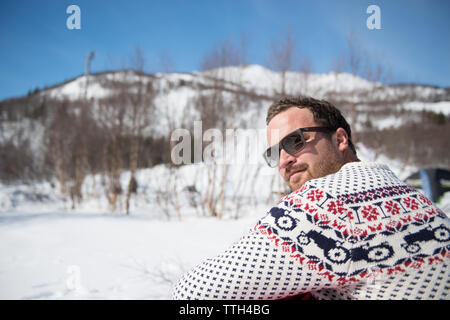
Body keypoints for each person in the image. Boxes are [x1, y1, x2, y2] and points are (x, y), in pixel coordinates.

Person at [172, 96, 449, 300]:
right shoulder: (423, 203)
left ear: (340, 140)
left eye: (295, 141)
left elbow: (190, 295)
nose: (284, 160)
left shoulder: (325, 204)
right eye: (274, 153)